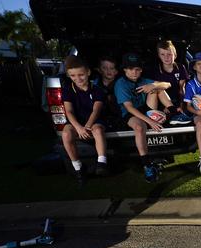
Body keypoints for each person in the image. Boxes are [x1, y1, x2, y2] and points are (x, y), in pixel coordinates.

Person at [114, 52, 179, 183]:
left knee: (157, 88)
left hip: (146, 109)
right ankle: (147, 165)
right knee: (139, 127)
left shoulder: (144, 80)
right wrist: (149, 121)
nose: (134, 72)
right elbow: (129, 108)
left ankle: (174, 113)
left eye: (137, 69)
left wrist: (154, 85)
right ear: (125, 69)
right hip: (130, 114)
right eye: (131, 69)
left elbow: (168, 84)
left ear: (141, 70)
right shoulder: (120, 84)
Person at [61, 55, 108, 186]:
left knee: (98, 130)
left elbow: (96, 110)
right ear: (69, 75)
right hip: (76, 122)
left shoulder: (97, 90)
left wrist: (86, 127)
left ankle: (102, 163)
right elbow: (69, 112)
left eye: (81, 74)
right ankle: (78, 168)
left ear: (88, 72)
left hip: (93, 120)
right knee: (66, 134)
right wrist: (79, 128)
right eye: (73, 76)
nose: (78, 79)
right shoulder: (67, 90)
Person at [146, 40, 191, 124]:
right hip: (159, 103)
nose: (166, 57)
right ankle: (155, 116)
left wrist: (181, 106)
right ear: (159, 56)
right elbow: (154, 89)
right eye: (162, 54)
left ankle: (177, 114)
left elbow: (182, 90)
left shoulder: (180, 68)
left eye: (169, 54)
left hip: (175, 103)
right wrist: (164, 107)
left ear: (175, 55)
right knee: (156, 88)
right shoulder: (155, 70)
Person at [92, 55, 121, 128]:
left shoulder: (121, 84)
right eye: (104, 68)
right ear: (99, 70)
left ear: (116, 71)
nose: (108, 71)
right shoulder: (94, 85)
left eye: (112, 68)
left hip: (119, 116)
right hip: (100, 117)